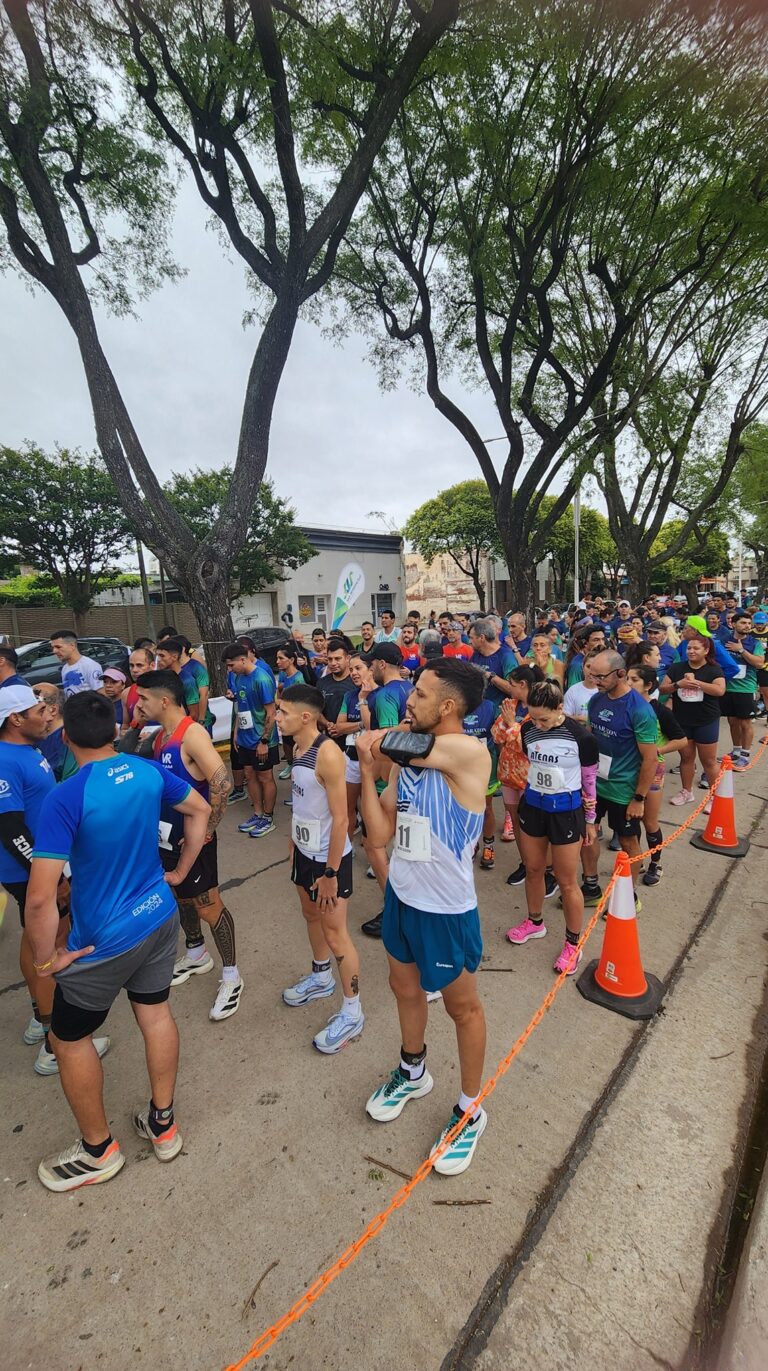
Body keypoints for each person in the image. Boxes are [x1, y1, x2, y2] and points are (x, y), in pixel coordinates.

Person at [26, 690, 209, 1191]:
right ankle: (164, 1126)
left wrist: (47, 961)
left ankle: (98, 1151)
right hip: (158, 917)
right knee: (155, 1015)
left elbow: (41, 900)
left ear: (65, 739)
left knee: (68, 1039)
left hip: (102, 940)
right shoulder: (146, 770)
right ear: (116, 729)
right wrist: (181, 872)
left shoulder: (67, 795)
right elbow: (199, 809)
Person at [359, 658, 491, 1176]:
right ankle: (412, 1071)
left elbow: (398, 741)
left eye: (418, 694)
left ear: (448, 706)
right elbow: (379, 832)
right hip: (403, 899)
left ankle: (470, 1110)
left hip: (446, 910)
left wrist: (373, 741)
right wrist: (369, 777)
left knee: (464, 1009)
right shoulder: (410, 760)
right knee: (404, 989)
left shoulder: (467, 751)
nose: (408, 700)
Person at [0, 683, 98, 1075]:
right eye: (38, 709)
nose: (47, 714)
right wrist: (51, 877)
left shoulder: (26, 749)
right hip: (33, 872)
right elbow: (10, 830)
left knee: (33, 941)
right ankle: (55, 1043)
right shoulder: (6, 760)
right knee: (51, 949)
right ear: (14, 719)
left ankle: (41, 1019)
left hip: (41, 867)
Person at [138, 671, 243, 1020]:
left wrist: (206, 829)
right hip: (167, 837)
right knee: (180, 896)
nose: (138, 704)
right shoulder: (158, 736)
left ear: (164, 701)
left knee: (208, 905)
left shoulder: (191, 734)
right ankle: (197, 953)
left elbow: (222, 782)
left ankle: (232, 975)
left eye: (143, 699)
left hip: (195, 840)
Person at [278, 684, 364, 1053]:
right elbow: (303, 802)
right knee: (310, 915)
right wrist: (293, 842)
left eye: (282, 712)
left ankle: (352, 1010)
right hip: (304, 851)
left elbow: (342, 819)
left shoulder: (327, 754)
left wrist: (330, 873)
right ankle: (320, 977)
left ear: (306, 716)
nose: (276, 717)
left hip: (329, 860)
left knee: (335, 933)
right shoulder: (296, 747)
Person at [505, 680, 599, 975]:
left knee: (567, 879)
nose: (539, 724)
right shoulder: (528, 729)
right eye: (534, 717)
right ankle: (534, 922)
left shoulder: (581, 737)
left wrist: (591, 821)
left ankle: (573, 943)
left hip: (566, 812)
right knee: (533, 868)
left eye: (545, 718)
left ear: (561, 708)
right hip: (533, 806)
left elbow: (590, 783)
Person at [579, 650, 659, 907]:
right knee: (587, 834)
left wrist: (639, 798)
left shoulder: (640, 710)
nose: (595, 681)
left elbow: (651, 759)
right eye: (592, 675)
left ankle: (628, 896)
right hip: (594, 786)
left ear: (621, 674)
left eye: (601, 676)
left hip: (623, 791)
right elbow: (590, 739)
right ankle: (591, 887)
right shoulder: (596, 701)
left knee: (628, 842)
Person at [358, 643, 413, 938]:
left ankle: (395, 906)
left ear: (380, 664)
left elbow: (387, 742)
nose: (368, 670)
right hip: (409, 777)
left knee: (373, 843)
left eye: (370, 664)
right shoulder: (411, 689)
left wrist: (378, 783)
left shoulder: (384, 695)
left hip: (390, 779)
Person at [626, 665, 687, 885]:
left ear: (648, 685)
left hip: (652, 770)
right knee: (630, 819)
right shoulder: (624, 706)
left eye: (634, 680)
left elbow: (681, 740)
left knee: (649, 820)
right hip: (625, 770)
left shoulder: (659, 711)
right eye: (627, 678)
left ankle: (655, 862)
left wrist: (656, 752)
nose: (629, 683)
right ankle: (637, 858)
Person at [222, 641, 279, 836]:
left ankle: (268, 817)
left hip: (262, 740)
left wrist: (264, 741)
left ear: (243, 659)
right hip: (244, 738)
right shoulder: (238, 678)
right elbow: (241, 707)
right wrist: (237, 732)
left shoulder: (261, 679)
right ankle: (257, 812)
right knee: (249, 775)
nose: (230, 670)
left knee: (265, 777)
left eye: (231, 665)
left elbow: (271, 713)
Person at [661, 634, 725, 807]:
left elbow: (720, 690)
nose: (691, 651)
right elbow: (661, 689)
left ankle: (714, 797)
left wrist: (697, 683)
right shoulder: (676, 668)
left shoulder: (714, 669)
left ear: (706, 650)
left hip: (706, 720)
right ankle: (686, 792)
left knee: (709, 761)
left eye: (696, 648)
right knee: (686, 758)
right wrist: (678, 685)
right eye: (689, 648)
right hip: (682, 721)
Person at [720, 612, 765, 769]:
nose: (747, 626)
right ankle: (736, 751)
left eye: (748, 623)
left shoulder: (754, 643)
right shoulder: (724, 641)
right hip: (727, 687)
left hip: (745, 688)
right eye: (743, 623)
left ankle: (745, 755)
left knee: (745, 722)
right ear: (733, 624)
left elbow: (759, 663)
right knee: (732, 721)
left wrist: (741, 650)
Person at [462, 693, 500, 869]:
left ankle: (488, 845)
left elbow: (499, 735)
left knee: (486, 808)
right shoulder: (458, 704)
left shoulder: (490, 707)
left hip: (486, 765)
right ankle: (472, 844)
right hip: (462, 765)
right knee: (465, 808)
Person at [335, 653, 368, 838]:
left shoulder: (379, 694)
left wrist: (352, 726)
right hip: (352, 757)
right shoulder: (349, 695)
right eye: (352, 669)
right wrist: (361, 725)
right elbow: (340, 727)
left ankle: (374, 850)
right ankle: (346, 846)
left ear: (370, 670)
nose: (354, 673)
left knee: (370, 808)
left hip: (373, 761)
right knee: (348, 805)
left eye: (358, 668)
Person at [155, 636, 214, 731]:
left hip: (189, 728)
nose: (158, 659)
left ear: (175, 656)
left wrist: (201, 721)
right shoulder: (163, 677)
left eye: (162, 656)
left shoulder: (189, 678)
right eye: (157, 655)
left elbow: (196, 709)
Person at [275, 642, 311, 780]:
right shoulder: (284, 676)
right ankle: (290, 764)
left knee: (296, 746)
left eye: (281, 658)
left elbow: (301, 703)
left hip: (296, 720)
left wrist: (281, 703)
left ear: (291, 660)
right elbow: (280, 692)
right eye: (277, 658)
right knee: (286, 744)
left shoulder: (298, 678)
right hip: (286, 718)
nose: (277, 662)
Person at [33, 684, 76, 782]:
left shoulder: (72, 737)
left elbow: (70, 782)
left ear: (53, 710)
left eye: (33, 706)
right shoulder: (35, 734)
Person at [469, 618, 517, 706]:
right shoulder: (476, 655)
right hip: (480, 711)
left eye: (471, 638)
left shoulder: (505, 656)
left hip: (499, 713)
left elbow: (514, 689)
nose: (469, 641)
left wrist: (489, 676)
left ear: (482, 638)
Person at [317, 636, 353, 738]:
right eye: (330, 659)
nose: (333, 663)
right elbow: (317, 711)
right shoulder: (322, 682)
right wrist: (328, 724)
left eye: (337, 659)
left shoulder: (356, 682)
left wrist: (344, 728)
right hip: (330, 740)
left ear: (347, 658)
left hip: (353, 741)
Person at [50, 631, 104, 695]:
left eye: (58, 647)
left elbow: (101, 694)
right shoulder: (65, 668)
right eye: (53, 647)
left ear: (72, 645)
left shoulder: (90, 665)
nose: (54, 651)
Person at [121, 646, 155, 735]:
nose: (134, 670)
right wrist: (124, 733)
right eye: (131, 665)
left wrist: (155, 735)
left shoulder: (165, 689)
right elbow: (125, 725)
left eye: (139, 665)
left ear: (152, 665)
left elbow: (177, 723)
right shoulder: (126, 693)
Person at [563, 651, 600, 724]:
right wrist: (580, 718)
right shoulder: (573, 691)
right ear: (582, 667)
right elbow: (564, 717)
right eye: (588, 666)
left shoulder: (606, 692)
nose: (591, 671)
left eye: (596, 667)